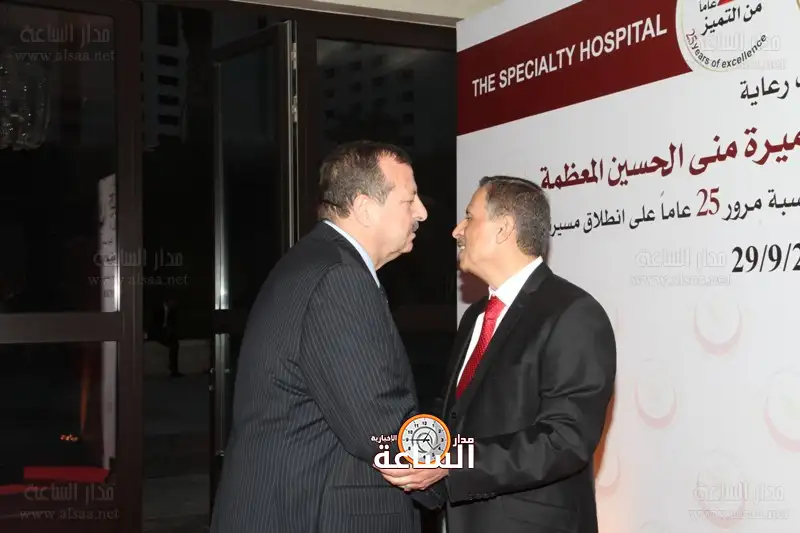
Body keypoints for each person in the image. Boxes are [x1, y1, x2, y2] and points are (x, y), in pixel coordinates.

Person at [210, 141, 443, 533]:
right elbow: (380, 428)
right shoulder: (340, 278)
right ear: (365, 208)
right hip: (308, 514)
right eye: (410, 199)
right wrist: (469, 463)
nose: (422, 212)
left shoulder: (314, 260)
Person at [379, 176, 617, 533]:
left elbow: (565, 440)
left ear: (504, 228)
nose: (457, 231)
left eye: (469, 217)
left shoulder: (573, 314)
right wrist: (412, 447)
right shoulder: (475, 317)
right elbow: (456, 414)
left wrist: (453, 462)